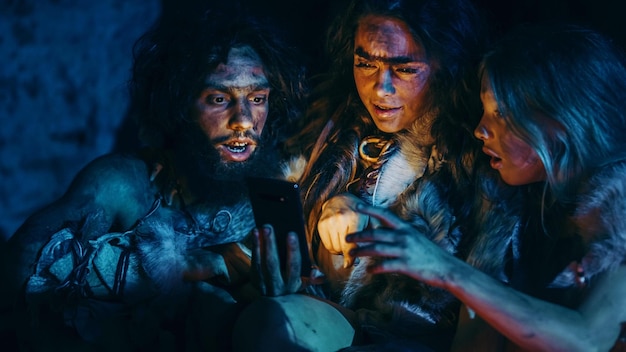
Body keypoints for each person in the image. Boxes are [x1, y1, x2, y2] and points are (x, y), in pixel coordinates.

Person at [0, 4, 307, 351]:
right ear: (179, 104)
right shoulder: (124, 184)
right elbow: (19, 269)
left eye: (257, 98)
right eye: (219, 99)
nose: (244, 120)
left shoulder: (280, 187)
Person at [233, 0, 518, 350]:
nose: (379, 88)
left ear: (446, 63)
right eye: (365, 63)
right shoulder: (333, 128)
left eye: (405, 70)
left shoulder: (484, 158)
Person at [347, 23, 626, 351]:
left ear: (564, 121)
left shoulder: (618, 213)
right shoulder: (529, 202)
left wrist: (443, 268)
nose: (480, 130)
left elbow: (587, 340)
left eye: (501, 115)